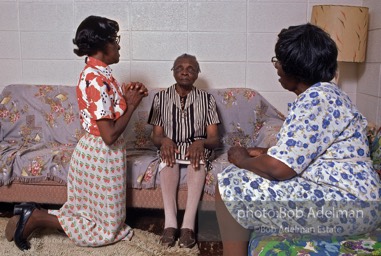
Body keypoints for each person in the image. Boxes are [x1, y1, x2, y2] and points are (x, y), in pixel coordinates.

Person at [215, 23, 381, 256]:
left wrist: (242, 159)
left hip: (350, 206)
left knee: (228, 186)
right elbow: (312, 151)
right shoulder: (327, 94)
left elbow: (281, 169)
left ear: (295, 68)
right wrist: (266, 153)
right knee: (242, 177)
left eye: (279, 61)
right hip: (356, 201)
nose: (277, 68)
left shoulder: (316, 99)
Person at [5, 15, 148, 251]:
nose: (119, 44)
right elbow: (109, 135)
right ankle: (36, 217)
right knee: (105, 229)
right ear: (103, 45)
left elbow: (104, 112)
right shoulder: (97, 80)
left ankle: (31, 212)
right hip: (100, 156)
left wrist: (125, 95)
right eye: (116, 39)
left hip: (97, 153)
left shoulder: (99, 73)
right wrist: (131, 105)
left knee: (99, 217)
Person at [148, 53, 220, 248]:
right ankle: (170, 225)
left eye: (191, 68)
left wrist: (202, 143)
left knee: (197, 159)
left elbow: (214, 138)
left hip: (195, 148)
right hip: (170, 147)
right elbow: (156, 136)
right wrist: (163, 141)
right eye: (180, 68)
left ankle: (188, 226)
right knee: (167, 157)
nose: (185, 72)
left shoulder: (207, 99)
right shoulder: (160, 98)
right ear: (173, 72)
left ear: (197, 73)